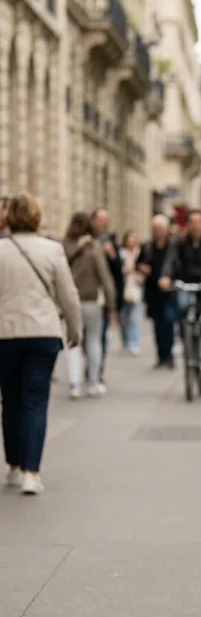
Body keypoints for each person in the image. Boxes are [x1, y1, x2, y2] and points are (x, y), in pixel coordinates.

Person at [0, 193, 82, 494]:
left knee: (10, 401)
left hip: (5, 335)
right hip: (43, 333)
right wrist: (75, 331)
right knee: (35, 401)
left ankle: (13, 465)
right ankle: (32, 473)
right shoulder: (52, 250)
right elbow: (68, 296)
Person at [159, 209, 201, 382]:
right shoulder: (179, 241)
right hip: (184, 283)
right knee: (182, 306)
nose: (196, 225)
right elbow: (170, 260)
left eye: (199, 221)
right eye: (192, 221)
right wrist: (165, 276)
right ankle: (182, 336)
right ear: (187, 224)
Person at [63, 212, 117, 398]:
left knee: (73, 342)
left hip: (69, 301)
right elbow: (104, 275)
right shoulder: (93, 247)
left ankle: (74, 384)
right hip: (91, 300)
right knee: (94, 340)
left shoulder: (64, 245)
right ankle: (93, 382)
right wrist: (112, 303)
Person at [137, 215, 176, 368]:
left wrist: (169, 278)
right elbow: (139, 262)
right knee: (158, 325)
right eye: (155, 229)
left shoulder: (173, 246)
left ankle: (169, 355)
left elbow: (176, 264)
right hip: (152, 290)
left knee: (168, 322)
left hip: (169, 291)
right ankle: (161, 356)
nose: (157, 232)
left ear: (166, 229)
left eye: (160, 229)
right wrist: (141, 267)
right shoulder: (148, 246)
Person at [91, 208, 123, 385]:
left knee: (101, 334)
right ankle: (92, 365)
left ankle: (97, 369)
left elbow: (117, 270)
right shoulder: (86, 241)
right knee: (88, 336)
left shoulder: (111, 240)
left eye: (105, 219)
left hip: (104, 294)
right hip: (87, 293)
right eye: (100, 219)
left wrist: (111, 254)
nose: (103, 223)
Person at [119, 230, 143, 355]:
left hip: (136, 286)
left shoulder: (140, 252)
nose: (132, 241)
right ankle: (126, 340)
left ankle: (134, 343)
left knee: (134, 317)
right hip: (123, 287)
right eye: (130, 238)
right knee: (123, 317)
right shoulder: (121, 253)